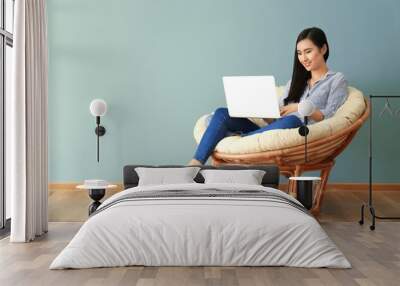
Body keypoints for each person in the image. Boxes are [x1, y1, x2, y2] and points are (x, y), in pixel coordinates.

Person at [188, 27, 348, 166]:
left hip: (298, 132)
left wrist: (299, 107)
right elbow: (275, 120)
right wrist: (263, 111)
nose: (303, 58)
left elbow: (329, 118)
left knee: (293, 119)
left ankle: (237, 137)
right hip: (271, 131)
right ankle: (195, 163)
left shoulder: (336, 80)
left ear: (323, 49)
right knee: (222, 113)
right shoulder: (295, 82)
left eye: (308, 51)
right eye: (299, 53)